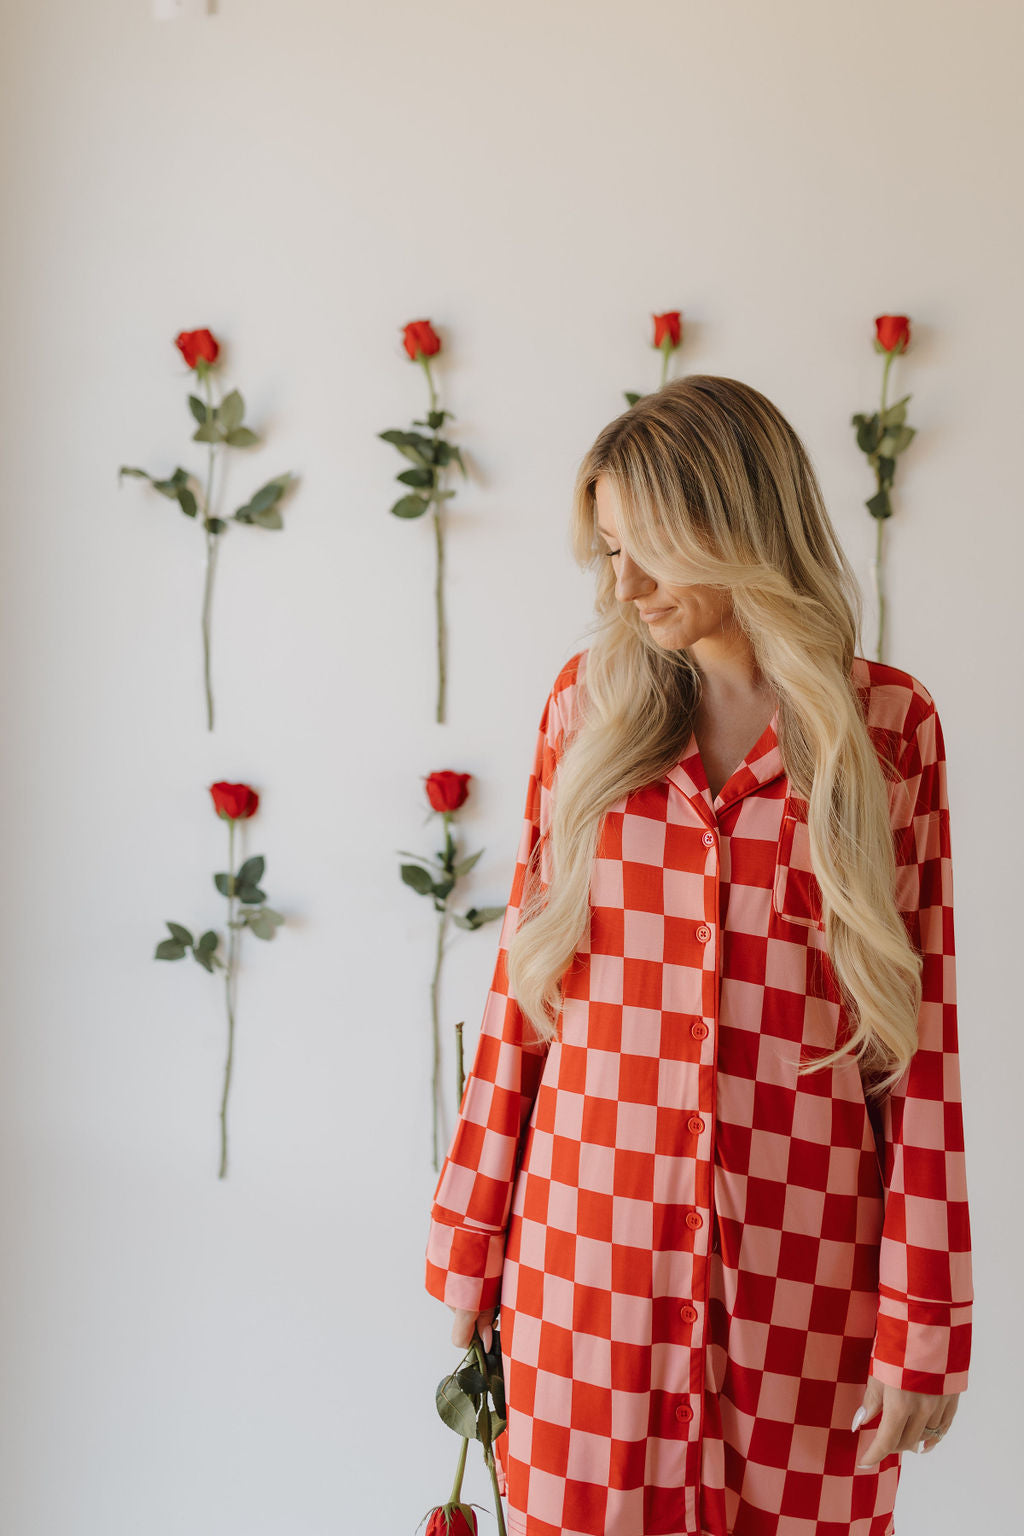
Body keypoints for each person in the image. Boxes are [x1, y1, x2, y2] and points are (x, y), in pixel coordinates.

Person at [424, 375, 972, 1536]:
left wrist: (923, 1315)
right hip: (584, 1267)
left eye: (649, 552)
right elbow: (522, 997)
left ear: (740, 527)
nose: (621, 589)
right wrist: (471, 1241)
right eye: (608, 553)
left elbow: (923, 1052)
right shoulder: (586, 712)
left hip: (808, 1289)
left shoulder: (888, 735)